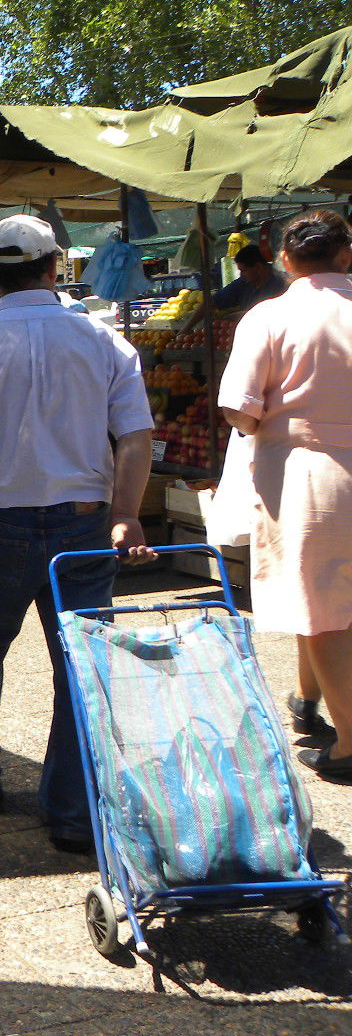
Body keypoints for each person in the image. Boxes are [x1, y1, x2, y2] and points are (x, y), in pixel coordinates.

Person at [0, 215, 156, 855]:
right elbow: (136, 436)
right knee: (80, 665)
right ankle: (74, 813)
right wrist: (128, 512)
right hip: (84, 522)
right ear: (55, 268)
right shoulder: (104, 341)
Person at [218, 209, 352, 781]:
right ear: (346, 255)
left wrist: (267, 425)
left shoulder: (269, 316)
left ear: (285, 260)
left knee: (322, 608)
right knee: (327, 601)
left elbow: (238, 408)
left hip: (309, 477)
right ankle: (307, 695)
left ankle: (350, 743)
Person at [212, 243, 287, 313]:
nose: (241, 275)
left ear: (258, 267)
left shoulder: (283, 284)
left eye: (244, 271)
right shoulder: (242, 283)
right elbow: (213, 301)